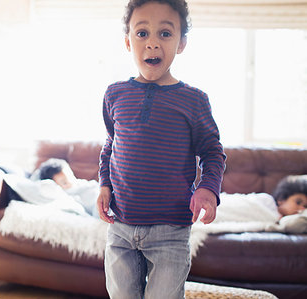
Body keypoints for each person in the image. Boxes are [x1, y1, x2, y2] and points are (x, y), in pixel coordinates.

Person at [96, 1, 226, 298]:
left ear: (181, 43)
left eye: (165, 34)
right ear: (128, 42)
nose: (152, 42)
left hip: (171, 230)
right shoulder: (114, 94)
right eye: (142, 33)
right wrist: (104, 185)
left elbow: (212, 152)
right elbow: (110, 144)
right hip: (121, 226)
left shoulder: (194, 101)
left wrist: (208, 188)